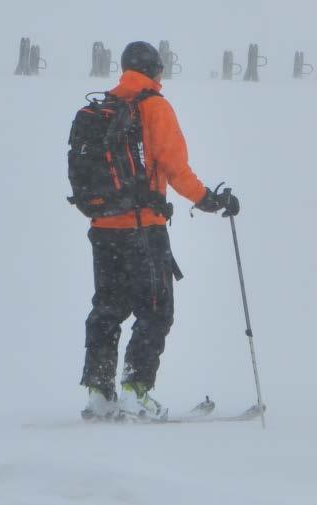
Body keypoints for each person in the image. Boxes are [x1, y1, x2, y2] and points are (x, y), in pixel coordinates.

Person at [79, 41, 239, 420]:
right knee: (155, 309)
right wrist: (208, 200)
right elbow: (174, 166)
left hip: (103, 227)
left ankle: (99, 394)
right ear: (154, 70)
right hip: (142, 228)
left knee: (108, 307)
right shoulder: (153, 106)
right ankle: (137, 392)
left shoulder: (102, 109)